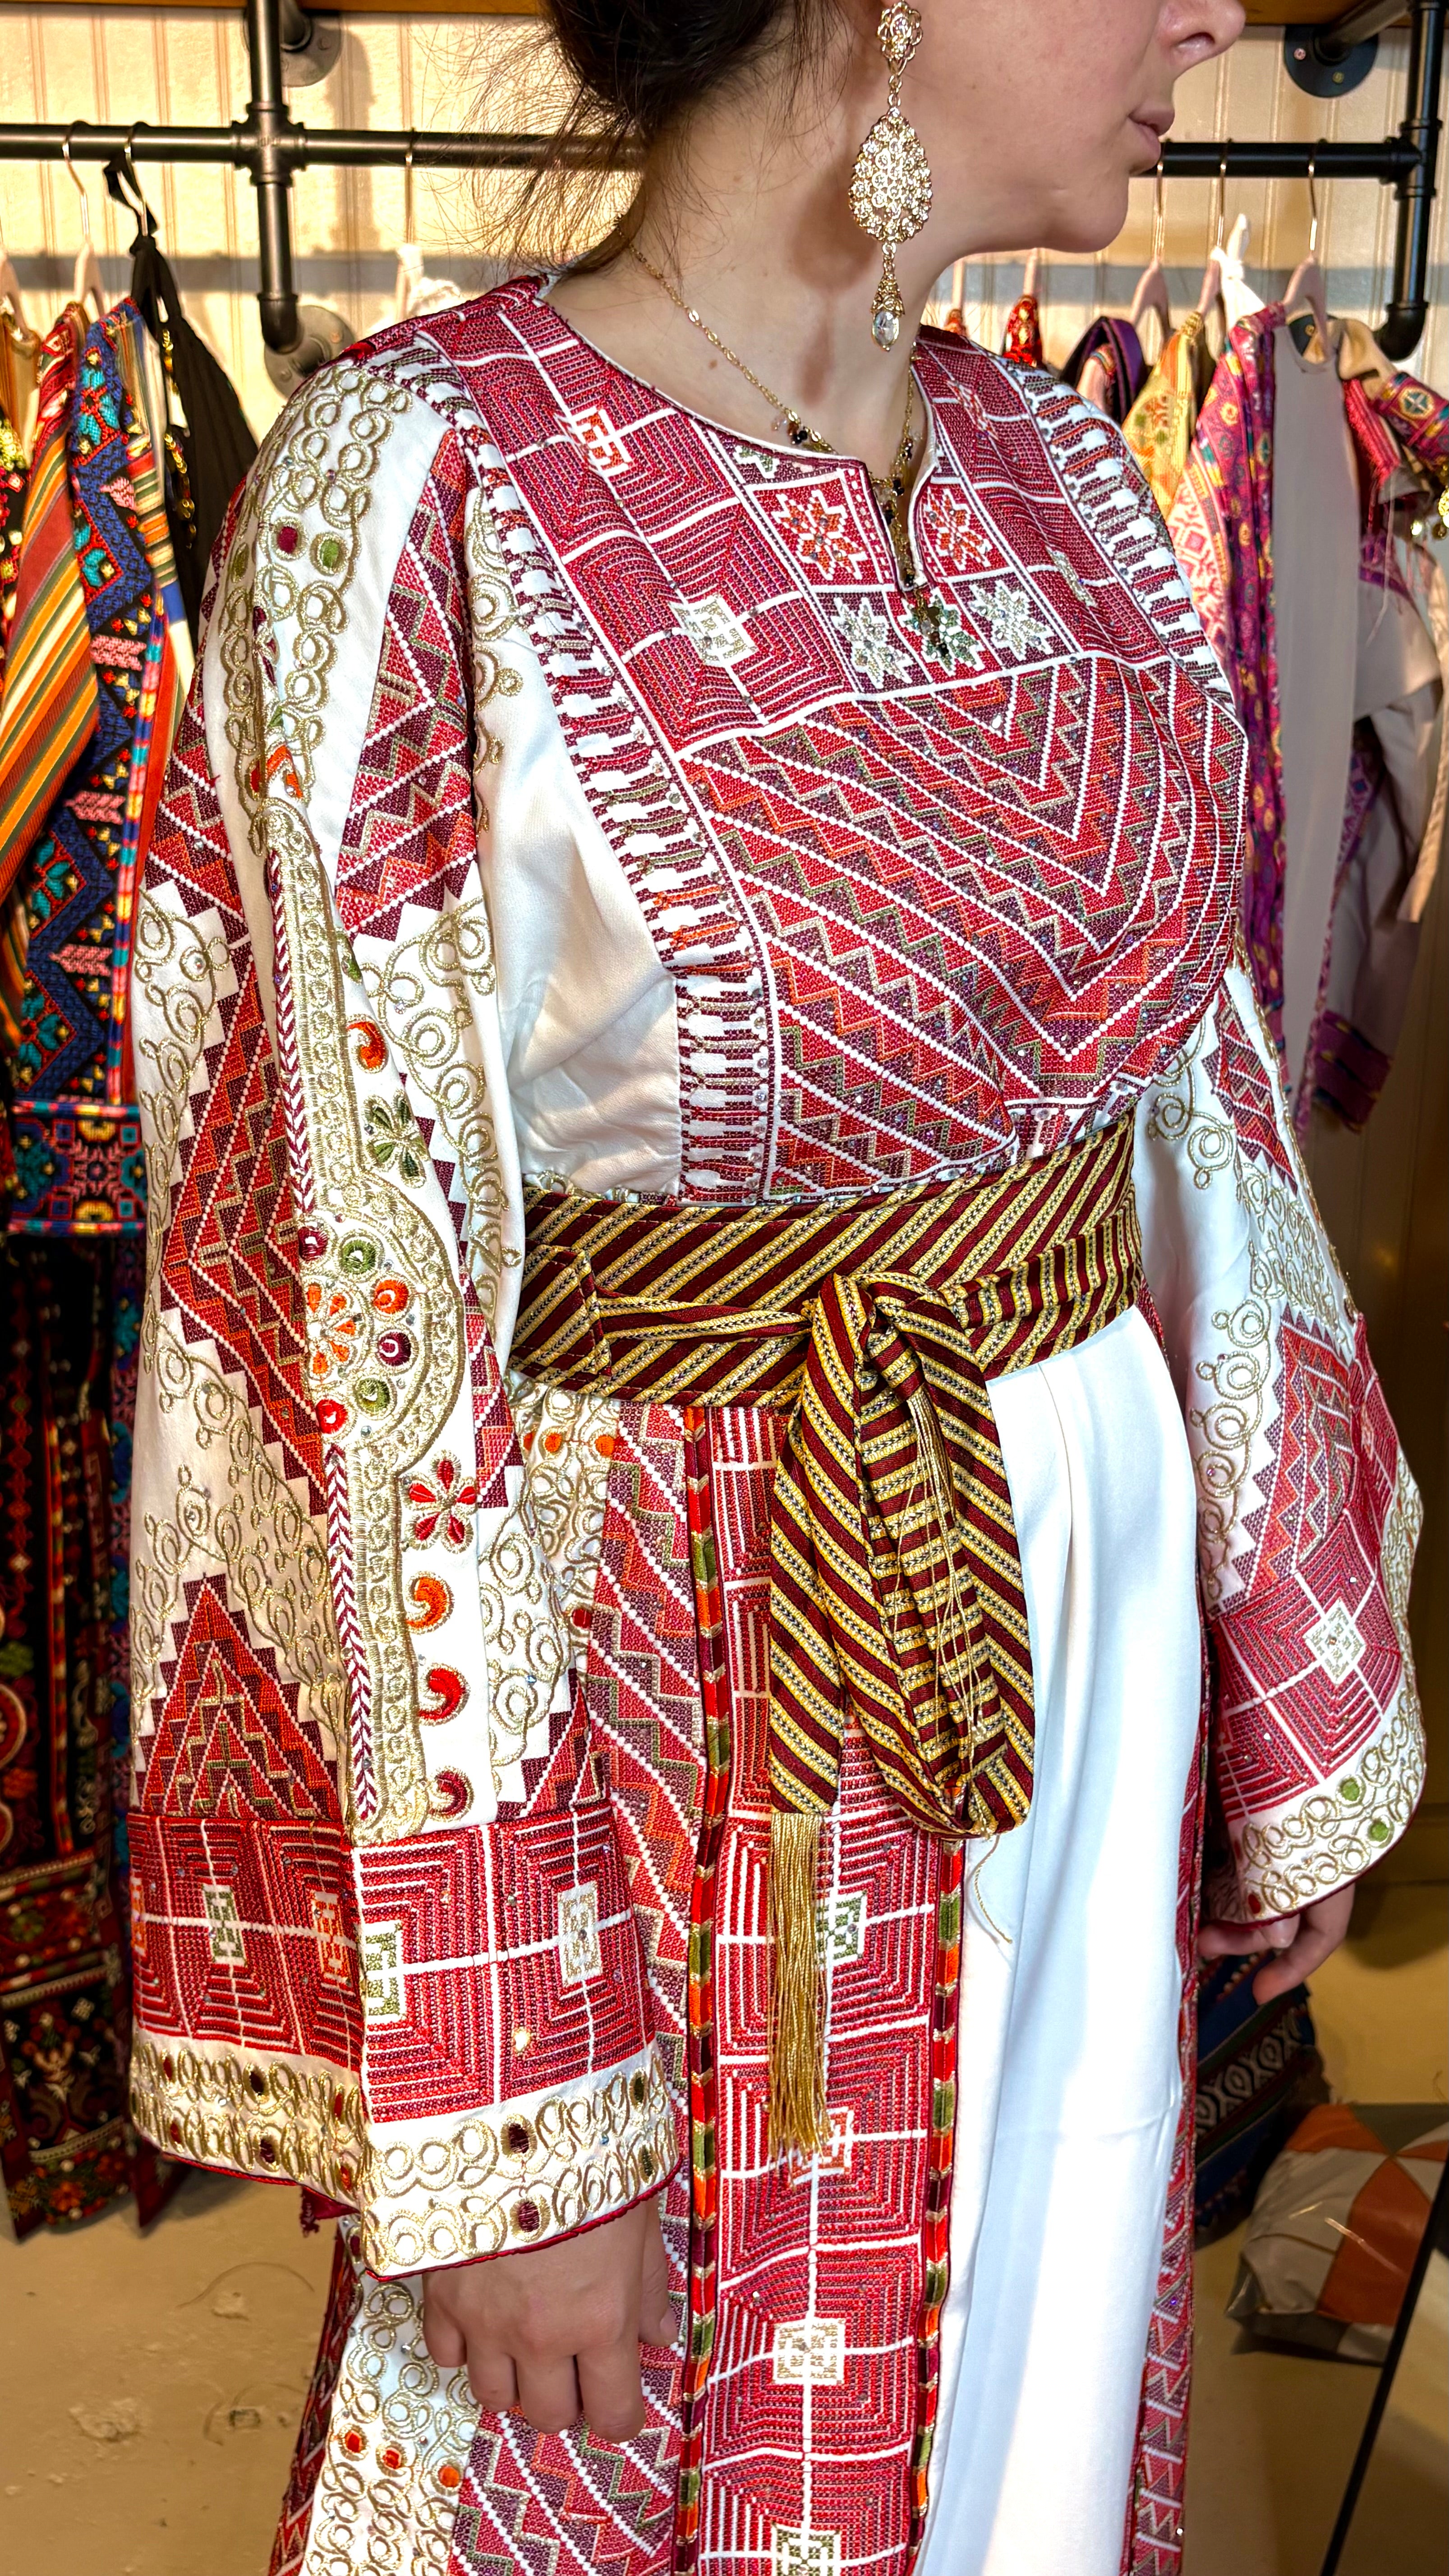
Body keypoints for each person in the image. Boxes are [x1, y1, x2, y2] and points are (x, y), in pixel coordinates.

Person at [127, 5, 1424, 2572]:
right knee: (643, 2436)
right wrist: (504, 2099)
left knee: (1039, 2346)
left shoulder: (1064, 473)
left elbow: (1197, 1103)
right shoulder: (424, 489)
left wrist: (1296, 1665)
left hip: (1073, 1626)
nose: (1210, 16)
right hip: (672, 1673)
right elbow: (342, 1305)